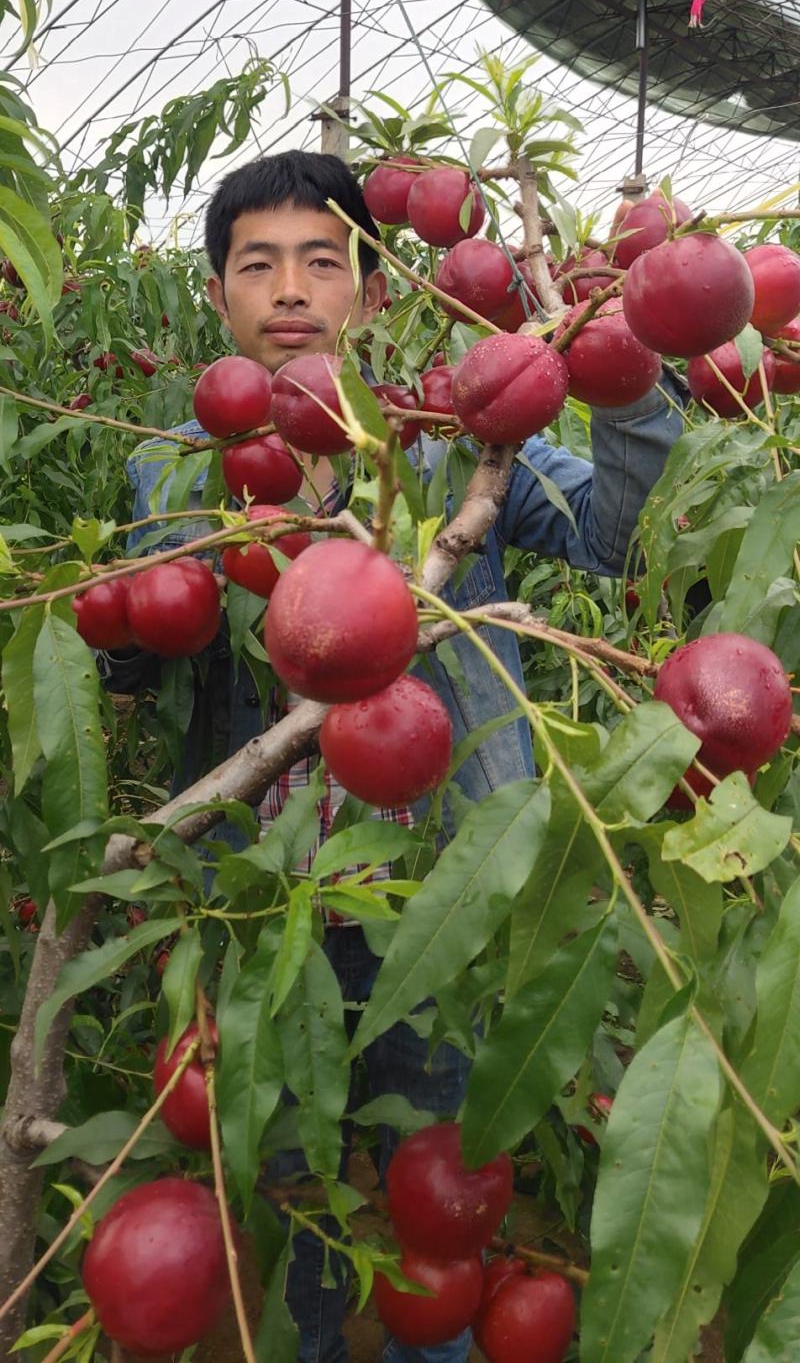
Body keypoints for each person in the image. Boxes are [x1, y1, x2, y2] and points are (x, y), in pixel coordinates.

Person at [101, 150, 685, 1363]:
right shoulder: (172, 464)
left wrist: (621, 371)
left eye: (324, 260)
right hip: (261, 907)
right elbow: (152, 654)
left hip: (440, 884)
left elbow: (628, 537)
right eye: (256, 265)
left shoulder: (446, 435)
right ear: (216, 295)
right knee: (292, 1183)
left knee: (442, 1193)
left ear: (370, 285)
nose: (291, 289)